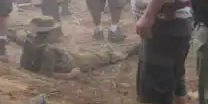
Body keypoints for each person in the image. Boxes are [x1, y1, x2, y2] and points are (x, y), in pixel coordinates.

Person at [9, 17, 138, 79]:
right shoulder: (48, 51)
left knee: (91, 53)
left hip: (67, 57)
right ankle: (125, 53)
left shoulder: (29, 43)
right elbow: (46, 74)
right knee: (101, 57)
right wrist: (70, 75)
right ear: (48, 34)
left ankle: (116, 52)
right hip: (72, 62)